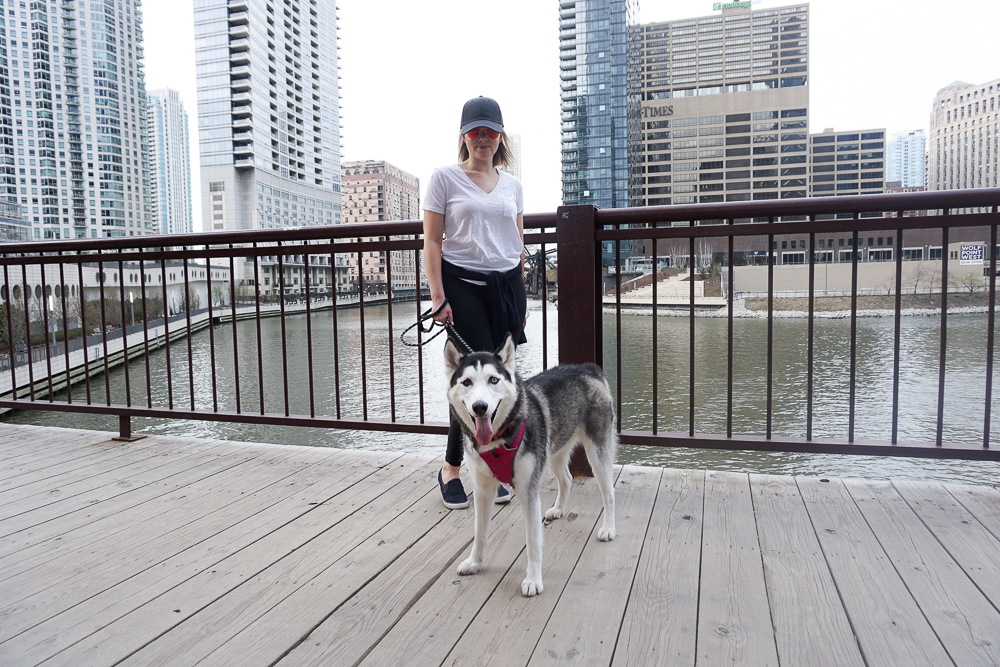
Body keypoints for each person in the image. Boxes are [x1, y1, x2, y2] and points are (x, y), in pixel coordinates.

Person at [423, 96, 527, 509]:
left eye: (491, 130)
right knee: (475, 379)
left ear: (500, 136)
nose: (483, 138)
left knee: (500, 381)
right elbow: (431, 240)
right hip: (462, 286)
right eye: (475, 130)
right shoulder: (445, 178)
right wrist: (438, 296)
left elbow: (517, 242)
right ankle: (451, 468)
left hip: (506, 288)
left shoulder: (513, 184)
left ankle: (491, 465)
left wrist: (519, 287)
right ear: (463, 135)